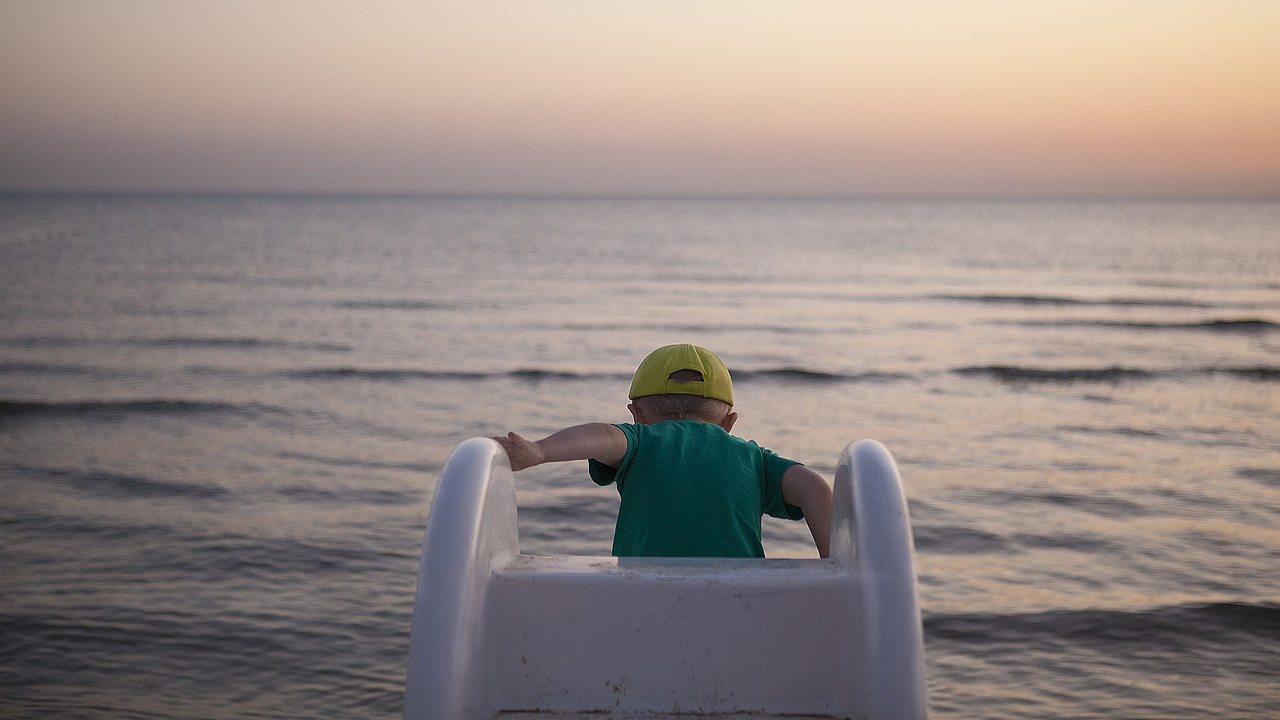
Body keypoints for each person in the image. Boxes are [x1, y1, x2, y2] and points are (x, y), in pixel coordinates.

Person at [492, 344, 833, 558]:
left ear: (636, 416)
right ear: (729, 422)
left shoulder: (642, 442)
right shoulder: (755, 460)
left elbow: (601, 437)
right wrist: (838, 569)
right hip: (737, 602)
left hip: (644, 598)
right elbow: (812, 486)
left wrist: (540, 451)